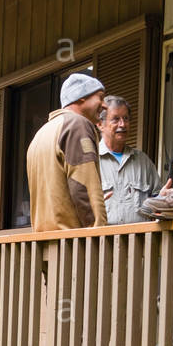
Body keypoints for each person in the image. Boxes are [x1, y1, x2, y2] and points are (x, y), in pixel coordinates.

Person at [27, 73, 108, 231]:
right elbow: (83, 185)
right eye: (100, 97)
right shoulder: (77, 125)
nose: (104, 105)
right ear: (81, 97)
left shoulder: (41, 133)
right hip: (73, 245)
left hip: (44, 243)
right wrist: (100, 233)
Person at [96, 95, 159, 224]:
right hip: (102, 241)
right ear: (100, 124)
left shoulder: (142, 161)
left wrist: (163, 198)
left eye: (126, 119)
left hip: (140, 241)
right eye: (115, 119)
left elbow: (158, 199)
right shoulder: (91, 160)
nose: (123, 124)